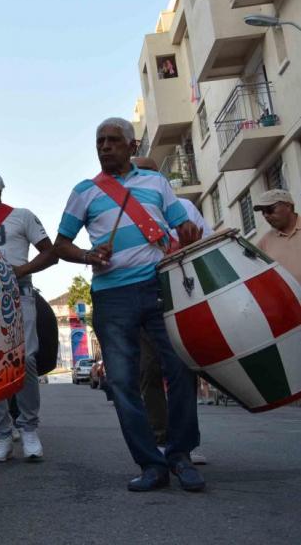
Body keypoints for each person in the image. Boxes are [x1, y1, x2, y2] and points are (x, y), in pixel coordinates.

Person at [53, 117, 204, 492]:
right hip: (112, 295)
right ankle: (151, 464)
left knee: (181, 368)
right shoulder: (84, 191)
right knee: (122, 382)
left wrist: (186, 233)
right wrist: (89, 256)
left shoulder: (156, 183)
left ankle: (180, 454)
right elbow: (61, 245)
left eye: (113, 140)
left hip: (159, 286)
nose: (105, 146)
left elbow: (181, 228)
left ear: (132, 146)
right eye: (100, 140)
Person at [0, 170, 58, 463]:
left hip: (19, 292)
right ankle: (2, 434)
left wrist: (22, 270)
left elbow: (50, 252)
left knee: (27, 358)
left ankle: (29, 428)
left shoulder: (22, 216)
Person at [131, 156, 208, 465]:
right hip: (141, 298)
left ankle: (186, 443)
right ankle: (160, 438)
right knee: (148, 370)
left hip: (182, 297)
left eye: (148, 173)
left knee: (182, 371)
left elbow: (203, 244)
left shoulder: (185, 208)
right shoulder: (122, 211)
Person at [255, 189, 300, 284]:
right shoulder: (264, 243)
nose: (266, 215)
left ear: (288, 206)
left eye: (269, 210)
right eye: (263, 212)